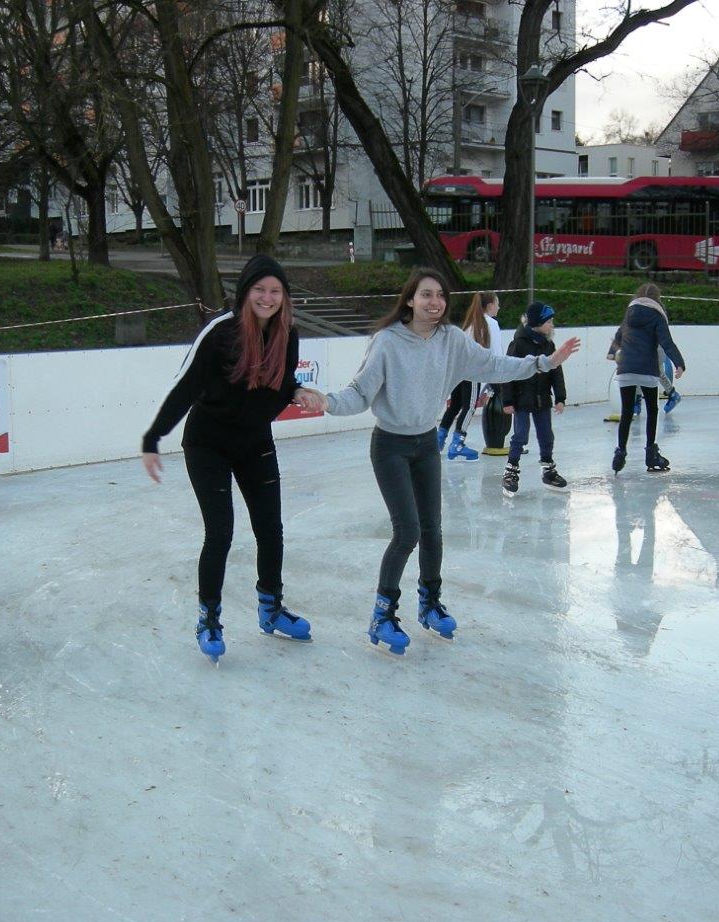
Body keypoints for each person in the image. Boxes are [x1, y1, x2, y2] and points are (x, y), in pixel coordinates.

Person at [310, 268, 580, 656]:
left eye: (440, 295)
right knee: (407, 532)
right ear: (409, 299)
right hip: (390, 445)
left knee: (433, 530)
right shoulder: (388, 341)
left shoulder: (451, 340)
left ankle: (430, 604)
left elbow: (495, 365)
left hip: (425, 445)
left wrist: (544, 363)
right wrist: (328, 402)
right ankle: (382, 614)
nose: (434, 302)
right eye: (426, 294)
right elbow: (360, 392)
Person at [141, 255, 320, 665]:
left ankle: (271, 607)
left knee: (270, 528)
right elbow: (186, 386)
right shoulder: (222, 332)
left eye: (275, 291)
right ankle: (209, 619)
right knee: (220, 531)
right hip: (208, 443)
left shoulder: (288, 334)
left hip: (254, 441)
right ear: (245, 292)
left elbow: (281, 384)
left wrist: (297, 392)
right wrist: (153, 437)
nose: (267, 298)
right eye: (259, 289)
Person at [607, 283, 685, 475]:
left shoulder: (630, 312)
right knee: (652, 410)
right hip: (647, 369)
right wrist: (679, 363)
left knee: (626, 412)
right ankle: (651, 453)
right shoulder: (657, 315)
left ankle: (620, 453)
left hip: (626, 367)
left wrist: (612, 352)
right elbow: (666, 342)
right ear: (658, 298)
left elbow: (619, 334)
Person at [499, 301, 567, 497]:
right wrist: (507, 400)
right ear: (538, 322)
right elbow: (508, 372)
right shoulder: (518, 344)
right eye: (549, 322)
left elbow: (556, 371)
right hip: (521, 399)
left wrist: (560, 397)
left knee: (546, 435)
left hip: (542, 399)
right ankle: (511, 471)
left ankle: (548, 470)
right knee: (520, 435)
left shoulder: (548, 344)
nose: (552, 325)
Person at [437, 291, 503, 461]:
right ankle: (458, 443)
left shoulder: (471, 323)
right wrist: (498, 380)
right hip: (471, 371)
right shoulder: (491, 324)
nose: (499, 307)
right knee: (470, 406)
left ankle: (439, 439)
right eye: (497, 303)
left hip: (458, 369)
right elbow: (496, 354)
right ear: (490, 305)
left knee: (455, 404)